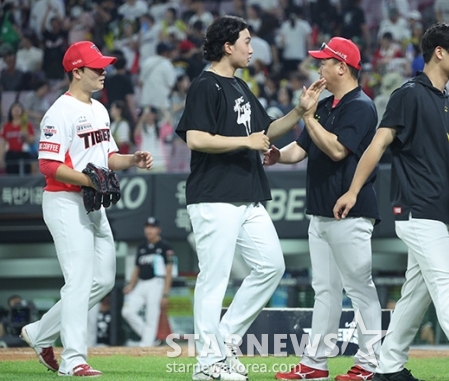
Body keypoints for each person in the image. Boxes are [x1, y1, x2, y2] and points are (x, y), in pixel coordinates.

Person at [333, 23, 449, 381]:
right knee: (447, 285)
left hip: (441, 211)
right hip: (416, 207)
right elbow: (378, 144)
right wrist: (353, 190)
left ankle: (388, 366)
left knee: (416, 294)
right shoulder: (408, 94)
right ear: (439, 52)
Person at [175, 15, 325, 381]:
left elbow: (266, 131)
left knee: (272, 266)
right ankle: (207, 365)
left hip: (247, 194)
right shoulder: (205, 85)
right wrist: (246, 141)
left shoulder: (239, 86)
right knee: (214, 279)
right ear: (227, 46)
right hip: (214, 195)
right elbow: (195, 138)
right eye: (245, 40)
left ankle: (224, 342)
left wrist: (299, 112)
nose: (251, 47)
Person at [19, 41, 153, 377]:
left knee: (103, 279)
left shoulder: (99, 109)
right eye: (96, 67)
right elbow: (48, 165)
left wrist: (132, 159)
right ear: (77, 71)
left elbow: (109, 157)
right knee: (78, 280)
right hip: (64, 201)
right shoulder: (59, 112)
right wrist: (88, 180)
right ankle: (73, 359)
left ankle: (39, 332)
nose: (103, 71)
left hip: (92, 203)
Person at [267, 37, 383, 381]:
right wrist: (277, 155)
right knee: (326, 290)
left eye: (324, 62)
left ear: (341, 67)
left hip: (351, 210)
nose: (319, 68)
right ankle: (315, 363)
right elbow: (299, 150)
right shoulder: (326, 105)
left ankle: (370, 363)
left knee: (360, 288)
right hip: (320, 211)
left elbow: (336, 150)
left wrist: (307, 115)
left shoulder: (361, 106)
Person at [121, 216, 175, 347]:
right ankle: (151, 339)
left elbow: (169, 272)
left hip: (156, 283)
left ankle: (146, 345)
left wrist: (165, 294)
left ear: (158, 230)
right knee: (127, 312)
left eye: (152, 227)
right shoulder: (142, 246)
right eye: (147, 227)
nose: (149, 230)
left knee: (152, 315)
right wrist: (131, 285)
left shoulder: (165, 247)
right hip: (141, 283)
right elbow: (137, 269)